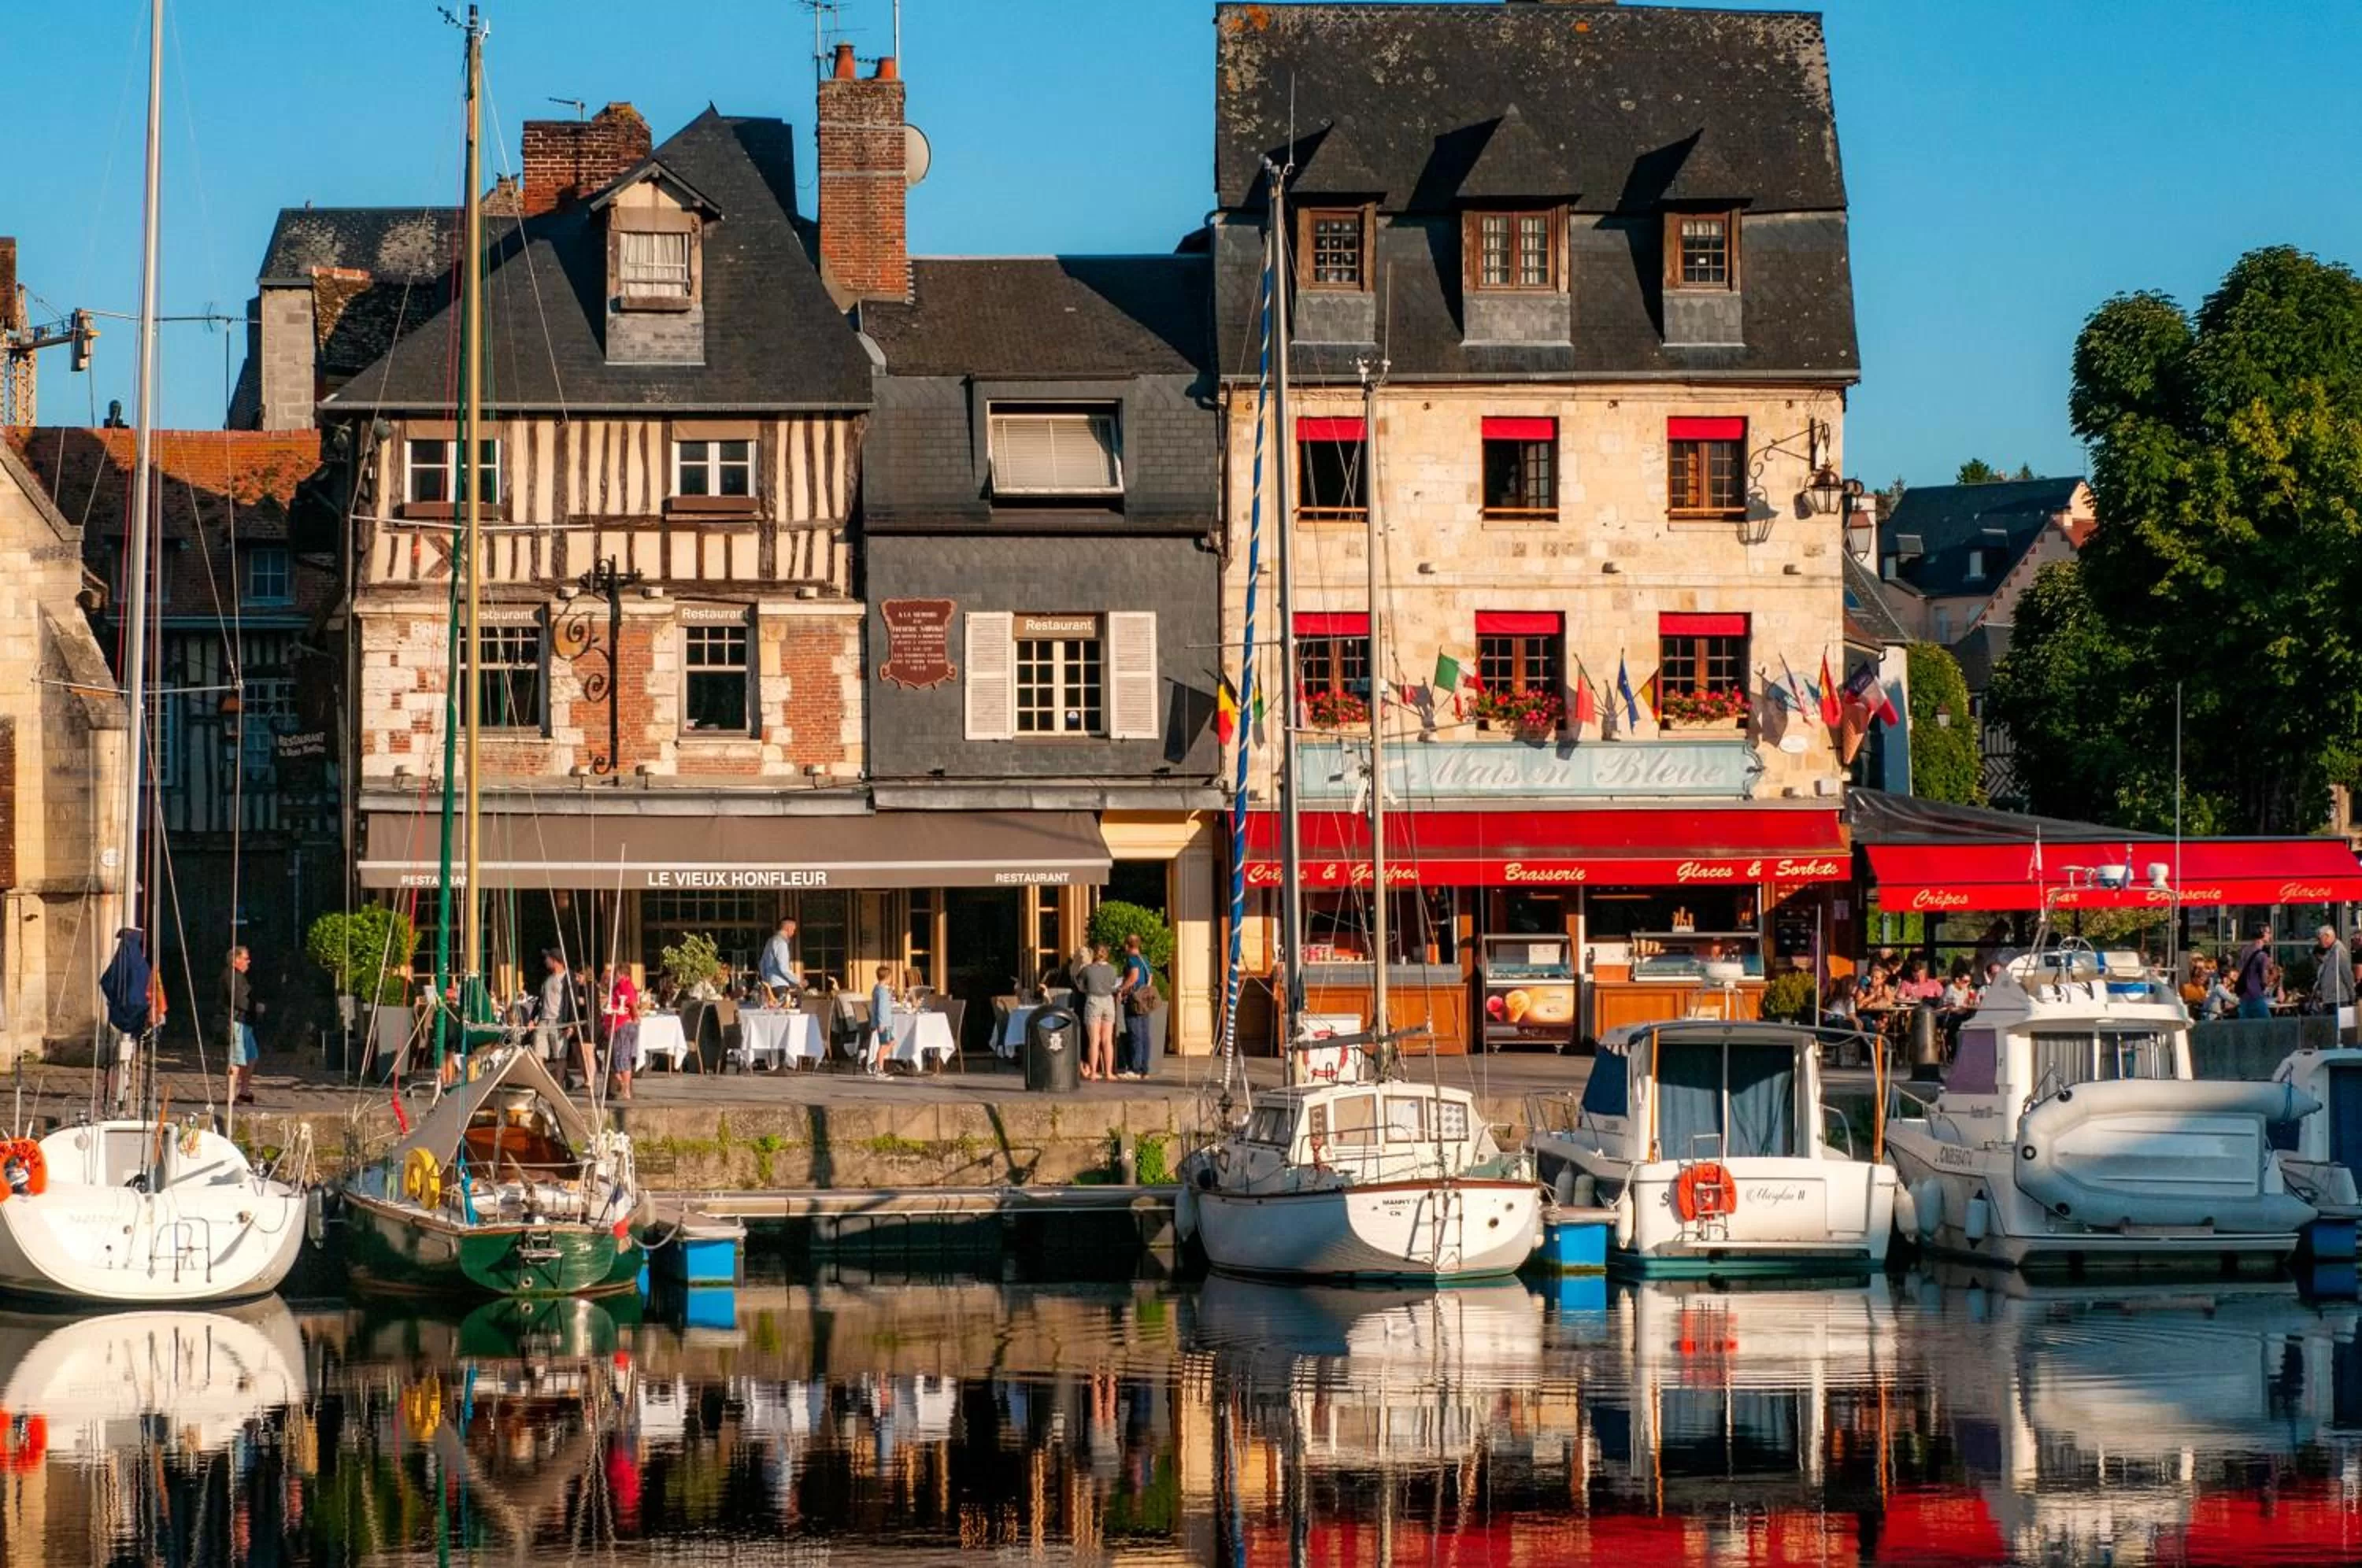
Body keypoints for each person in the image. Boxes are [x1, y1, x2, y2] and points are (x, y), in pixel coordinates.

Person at [1074, 943, 1121, 1082]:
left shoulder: (1087, 970)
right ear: (1107, 955)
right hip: (1108, 1001)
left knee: (1094, 1040)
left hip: (1093, 1000)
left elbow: (1080, 987)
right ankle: (1109, 1072)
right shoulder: (1113, 969)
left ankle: (1094, 1072)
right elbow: (1113, 984)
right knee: (1107, 1040)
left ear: (1094, 954)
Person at [1115, 934, 1156, 1082]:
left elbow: (1134, 976)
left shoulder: (1131, 960)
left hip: (1134, 999)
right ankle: (1145, 1069)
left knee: (1135, 1033)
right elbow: (1150, 976)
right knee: (1145, 1033)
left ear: (1127, 946)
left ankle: (1135, 1069)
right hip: (1144, 998)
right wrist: (1145, 989)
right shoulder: (1144, 958)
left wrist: (1121, 989)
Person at [223, 945, 260, 1106]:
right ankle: (230, 1096)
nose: (249, 961)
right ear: (236, 959)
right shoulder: (231, 976)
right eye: (246, 958)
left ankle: (244, 1091)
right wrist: (255, 1007)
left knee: (252, 1057)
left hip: (246, 1022)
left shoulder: (240, 977)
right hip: (236, 1021)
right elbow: (238, 999)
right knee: (236, 1060)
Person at [535, 950, 578, 1078]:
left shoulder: (568, 979)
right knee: (538, 1053)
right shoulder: (547, 979)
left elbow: (572, 1002)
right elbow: (540, 1001)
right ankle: (541, 1082)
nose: (545, 961)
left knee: (560, 1055)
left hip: (559, 1021)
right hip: (543, 1020)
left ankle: (559, 1083)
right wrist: (533, 1019)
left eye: (547, 958)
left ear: (555, 960)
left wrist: (571, 1025)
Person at [602, 963, 641, 1100]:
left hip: (622, 1024)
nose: (615, 977)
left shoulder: (624, 985)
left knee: (622, 1057)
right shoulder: (619, 986)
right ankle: (623, 1085)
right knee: (620, 1057)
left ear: (623, 975)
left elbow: (631, 1002)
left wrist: (635, 1017)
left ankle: (625, 1088)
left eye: (617, 974)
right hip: (617, 1024)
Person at [2312, 926, 2356, 1018]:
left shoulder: (2339, 950)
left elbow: (2347, 974)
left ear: (2327, 936)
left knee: (2338, 1027)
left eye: (2320, 939)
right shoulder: (2330, 951)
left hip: (2338, 999)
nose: (2319, 942)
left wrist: (2352, 995)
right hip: (2330, 999)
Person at [2234, 924, 2275, 1020]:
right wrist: (2272, 976)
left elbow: (2240, 970)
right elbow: (2264, 980)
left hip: (2243, 996)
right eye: (2269, 932)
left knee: (2245, 1030)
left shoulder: (2245, 950)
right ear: (2262, 933)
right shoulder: (2262, 955)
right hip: (2255, 996)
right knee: (2269, 1026)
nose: (2271, 936)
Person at [866, 963, 898, 1077]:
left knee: (892, 1042)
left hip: (885, 1022)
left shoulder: (878, 989)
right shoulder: (882, 992)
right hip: (884, 1023)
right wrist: (881, 1023)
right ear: (888, 977)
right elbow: (880, 1009)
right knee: (884, 1045)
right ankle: (879, 1068)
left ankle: (876, 1063)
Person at [760, 918, 803, 1001]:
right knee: (783, 1011)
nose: (793, 933)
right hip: (780, 985)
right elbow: (784, 968)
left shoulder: (770, 941)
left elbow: (762, 964)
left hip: (770, 984)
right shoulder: (781, 943)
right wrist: (798, 982)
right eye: (793, 930)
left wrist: (766, 981)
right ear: (788, 928)